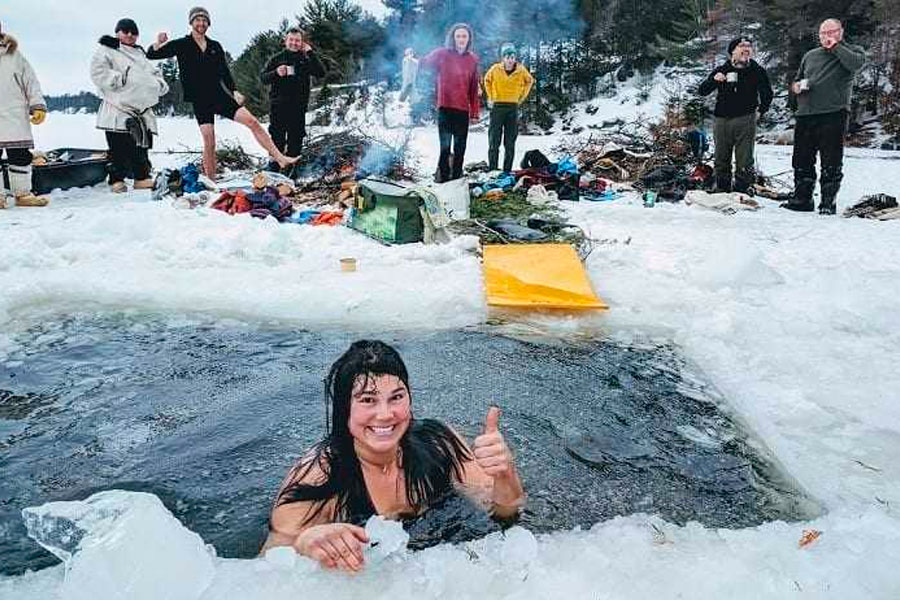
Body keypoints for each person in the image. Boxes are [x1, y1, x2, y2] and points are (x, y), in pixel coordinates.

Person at [262, 340, 525, 571]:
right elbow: (264, 568)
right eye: (368, 400)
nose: (386, 414)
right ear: (345, 410)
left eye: (396, 397)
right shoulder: (316, 478)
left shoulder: (439, 442)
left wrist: (505, 471)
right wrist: (304, 543)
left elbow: (504, 511)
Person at [146, 7, 297, 180]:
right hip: (199, 99)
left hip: (219, 95)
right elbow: (151, 55)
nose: (201, 23)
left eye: (204, 20)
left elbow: (225, 72)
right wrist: (158, 42)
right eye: (197, 20)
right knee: (209, 141)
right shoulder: (182, 44)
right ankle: (211, 181)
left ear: (208, 23)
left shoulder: (215, 46)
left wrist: (234, 91)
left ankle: (280, 158)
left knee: (253, 121)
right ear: (191, 22)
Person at [786, 18, 866, 215]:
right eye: (823, 33)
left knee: (831, 159)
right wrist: (795, 88)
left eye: (832, 32)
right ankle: (802, 199)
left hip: (833, 113)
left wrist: (836, 47)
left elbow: (855, 64)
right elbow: (798, 78)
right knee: (802, 159)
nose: (827, 36)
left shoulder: (853, 51)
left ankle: (828, 202)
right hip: (805, 113)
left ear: (841, 32)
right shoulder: (811, 55)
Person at [90, 18, 169, 193]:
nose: (130, 35)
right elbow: (98, 72)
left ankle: (142, 177)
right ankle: (116, 180)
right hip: (118, 107)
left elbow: (154, 72)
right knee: (118, 146)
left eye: (134, 32)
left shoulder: (140, 54)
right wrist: (121, 79)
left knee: (141, 146)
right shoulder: (107, 50)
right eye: (126, 31)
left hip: (142, 110)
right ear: (118, 32)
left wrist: (159, 85)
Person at [697, 36, 773, 194]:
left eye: (749, 46)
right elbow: (702, 91)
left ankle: (742, 190)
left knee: (744, 159)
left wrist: (761, 111)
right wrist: (714, 80)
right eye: (742, 46)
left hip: (745, 118)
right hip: (721, 119)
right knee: (721, 158)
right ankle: (722, 189)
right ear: (733, 51)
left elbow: (767, 93)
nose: (746, 49)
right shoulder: (722, 69)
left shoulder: (757, 70)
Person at [420, 23, 481, 183]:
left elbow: (474, 88)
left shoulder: (473, 59)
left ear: (469, 39)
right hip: (445, 108)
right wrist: (411, 59)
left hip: (462, 111)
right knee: (445, 148)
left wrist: (475, 112)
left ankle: (456, 180)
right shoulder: (442, 54)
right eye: (458, 36)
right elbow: (423, 63)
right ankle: (444, 180)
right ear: (453, 38)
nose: (461, 39)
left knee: (460, 149)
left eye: (464, 36)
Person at [260, 28, 325, 171]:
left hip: (298, 107)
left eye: (297, 40)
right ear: (285, 41)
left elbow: (321, 72)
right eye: (291, 40)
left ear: (302, 43)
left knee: (296, 138)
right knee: (277, 137)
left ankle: (292, 170)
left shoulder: (305, 59)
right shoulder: (276, 59)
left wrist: (310, 52)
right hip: (278, 106)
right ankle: (274, 168)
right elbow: (263, 78)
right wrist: (276, 73)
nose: (294, 43)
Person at [0, 21, 48, 208]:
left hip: (14, 114)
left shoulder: (14, 55)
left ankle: (23, 195)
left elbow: (30, 81)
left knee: (20, 155)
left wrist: (38, 106)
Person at [483, 43, 534, 173]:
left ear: (515, 58)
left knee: (510, 141)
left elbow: (530, 81)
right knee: (494, 140)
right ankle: (493, 169)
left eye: (512, 57)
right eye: (507, 57)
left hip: (512, 107)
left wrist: (521, 97)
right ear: (503, 58)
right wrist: (491, 96)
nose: (510, 60)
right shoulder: (495, 69)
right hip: (497, 107)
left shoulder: (521, 70)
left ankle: (507, 170)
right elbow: (486, 81)